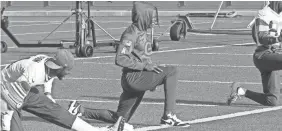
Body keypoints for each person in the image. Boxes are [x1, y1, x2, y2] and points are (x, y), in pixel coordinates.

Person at [67, 1, 190, 128]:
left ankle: (80, 110)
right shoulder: (131, 33)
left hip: (138, 76)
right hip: (133, 77)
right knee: (172, 71)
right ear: (143, 16)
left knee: (120, 118)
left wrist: (152, 73)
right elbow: (120, 58)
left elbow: (142, 57)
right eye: (152, 17)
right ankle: (169, 115)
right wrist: (145, 68)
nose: (154, 20)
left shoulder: (142, 32)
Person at [0, 49, 125, 131]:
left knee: (56, 111)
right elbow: (12, 102)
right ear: (60, 67)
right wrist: (6, 120)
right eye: (67, 70)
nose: (67, 74)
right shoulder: (34, 73)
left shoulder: (48, 64)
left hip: (21, 90)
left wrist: (48, 94)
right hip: (6, 92)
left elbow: (48, 76)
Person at [227, 1, 282, 106]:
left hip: (275, 57)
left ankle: (240, 91)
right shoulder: (264, 14)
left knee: (271, 101)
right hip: (263, 55)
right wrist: (278, 38)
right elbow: (261, 38)